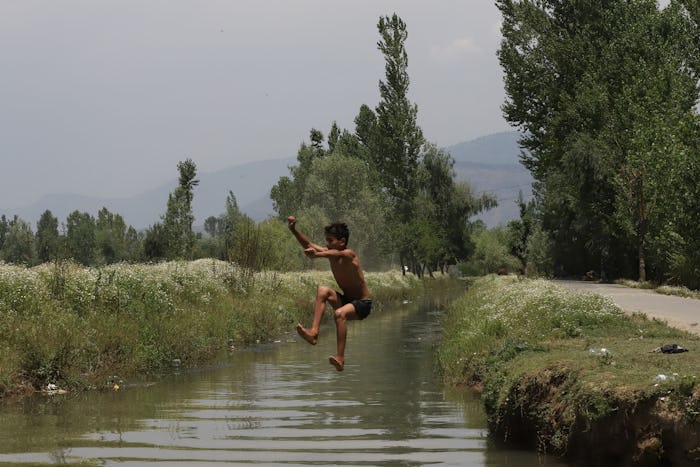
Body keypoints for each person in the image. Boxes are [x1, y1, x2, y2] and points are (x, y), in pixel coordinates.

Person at [287, 215, 372, 371]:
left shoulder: (348, 254)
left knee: (339, 314)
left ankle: (340, 358)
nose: (327, 244)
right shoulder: (331, 252)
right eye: (326, 240)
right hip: (347, 300)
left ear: (342, 241)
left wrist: (317, 254)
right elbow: (308, 244)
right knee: (322, 290)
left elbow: (336, 255)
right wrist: (294, 230)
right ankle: (313, 333)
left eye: (330, 240)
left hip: (362, 304)